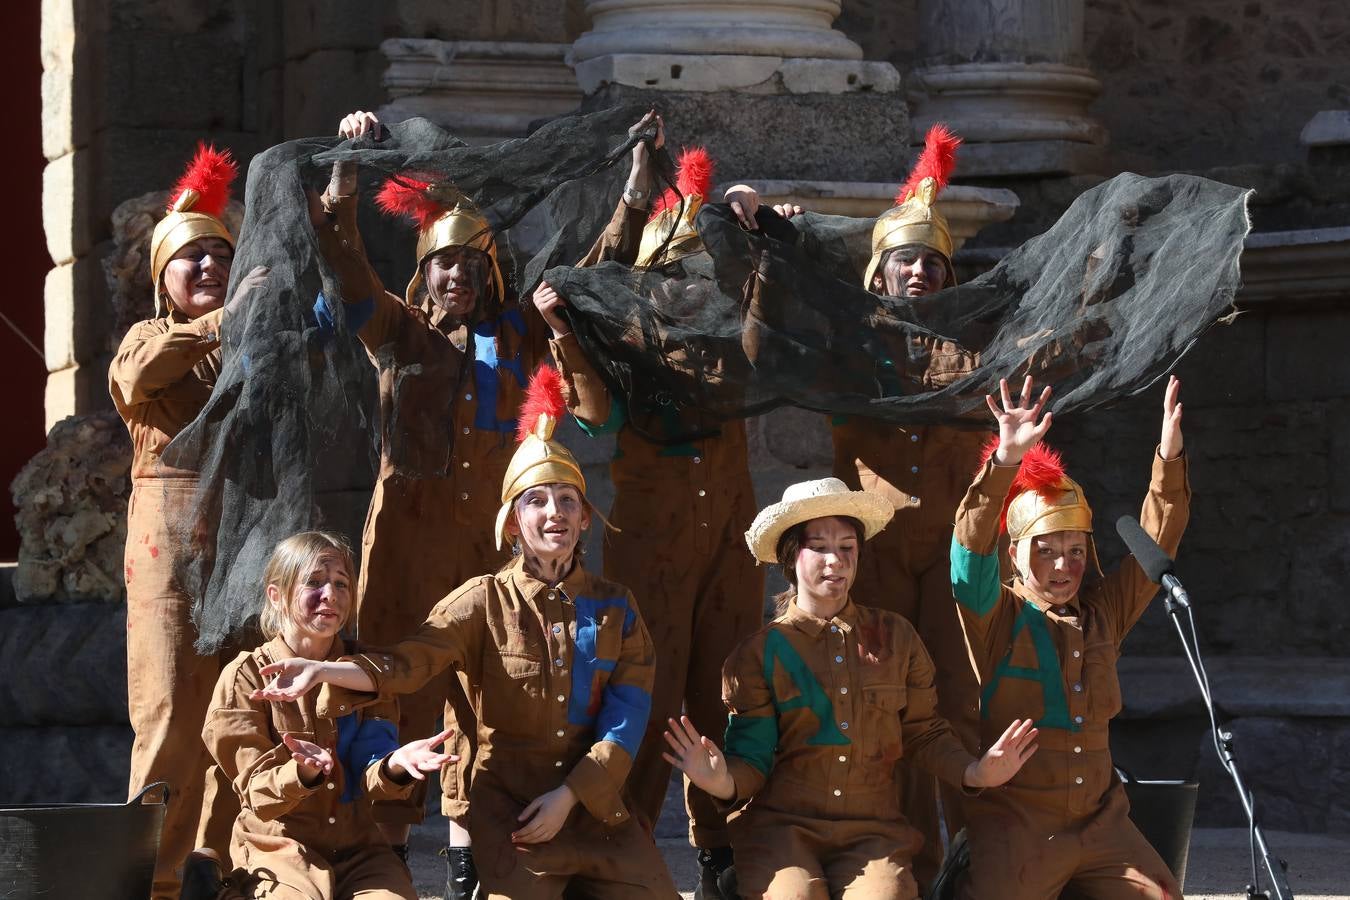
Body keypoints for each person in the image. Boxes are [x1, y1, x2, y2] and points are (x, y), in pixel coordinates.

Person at [247, 366, 680, 899]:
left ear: (586, 518)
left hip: (594, 804)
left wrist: (572, 794)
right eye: (536, 501)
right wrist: (324, 669)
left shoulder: (618, 607)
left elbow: (626, 716)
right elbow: (409, 664)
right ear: (511, 521)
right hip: (511, 807)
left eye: (568, 501)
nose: (554, 514)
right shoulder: (480, 601)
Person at [315, 109, 570, 897]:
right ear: (422, 274)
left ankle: (465, 863)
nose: (454, 276)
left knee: (482, 701)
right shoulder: (399, 333)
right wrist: (342, 190)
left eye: (468, 264)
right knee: (394, 689)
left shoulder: (521, 337)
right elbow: (349, 274)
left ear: (489, 274)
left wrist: (632, 196)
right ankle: (385, 852)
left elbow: (592, 262)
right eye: (441, 265)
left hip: (489, 560)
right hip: (406, 554)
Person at [725, 125, 986, 888]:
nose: (918, 273)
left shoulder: (969, 351)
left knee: (959, 708)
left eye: (933, 264)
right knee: (885, 713)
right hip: (867, 550)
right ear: (879, 273)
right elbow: (768, 343)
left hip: (950, 556)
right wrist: (776, 242)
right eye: (904, 260)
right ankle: (911, 859)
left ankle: (970, 867)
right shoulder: (846, 345)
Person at [534, 140, 764, 898]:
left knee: (723, 697)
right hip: (651, 554)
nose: (690, 284)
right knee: (643, 698)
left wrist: (758, 227)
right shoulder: (622, 348)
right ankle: (615, 852)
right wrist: (633, 204)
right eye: (675, 273)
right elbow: (593, 403)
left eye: (700, 270)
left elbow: (771, 298)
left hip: (728, 550)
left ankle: (721, 855)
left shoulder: (736, 347)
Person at [662, 476, 1038, 900]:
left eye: (846, 547)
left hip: (872, 833)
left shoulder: (897, 638)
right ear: (790, 556)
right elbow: (753, 754)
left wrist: (974, 771)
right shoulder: (759, 654)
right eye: (819, 547)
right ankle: (744, 880)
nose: (835, 561)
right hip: (783, 831)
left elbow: (924, 732)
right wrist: (722, 782)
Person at [948, 374, 1188, 899]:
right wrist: (1004, 464)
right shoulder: (996, 616)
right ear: (1014, 554)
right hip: (1019, 826)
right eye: (1046, 549)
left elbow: (1158, 538)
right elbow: (967, 558)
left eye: (1076, 550)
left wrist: (1168, 460)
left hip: (1104, 826)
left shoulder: (1103, 613)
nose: (1064, 566)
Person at [109, 143, 269, 899]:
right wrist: (219, 326)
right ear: (162, 281)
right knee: (171, 720)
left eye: (219, 255)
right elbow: (139, 378)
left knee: (240, 716)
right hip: (169, 554)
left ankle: (225, 875)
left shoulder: (254, 345)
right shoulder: (148, 340)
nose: (208, 267)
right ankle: (154, 886)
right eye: (191, 258)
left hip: (242, 548)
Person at [179, 530, 455, 900]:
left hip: (360, 852)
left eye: (341, 583)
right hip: (278, 848)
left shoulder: (363, 672)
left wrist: (396, 766)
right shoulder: (245, 676)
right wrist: (301, 773)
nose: (331, 595)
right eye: (314, 582)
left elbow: (370, 775)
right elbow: (256, 791)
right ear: (276, 594)